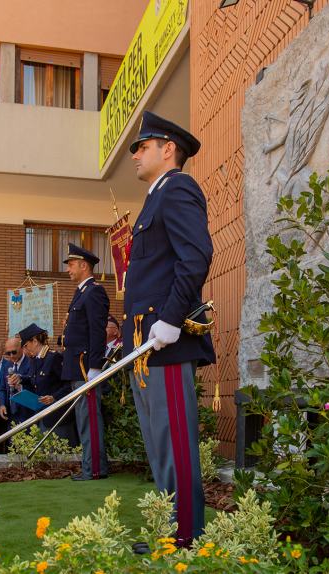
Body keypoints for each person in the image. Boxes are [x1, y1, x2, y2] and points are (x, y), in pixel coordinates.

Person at [124, 111, 215, 548]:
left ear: (168, 149)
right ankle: (167, 529)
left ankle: (184, 536)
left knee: (175, 441)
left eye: (142, 147)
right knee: (158, 443)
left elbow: (195, 257)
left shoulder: (177, 188)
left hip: (166, 341)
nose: (136, 155)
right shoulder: (153, 199)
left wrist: (172, 320)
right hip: (146, 344)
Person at [60, 243, 110, 480]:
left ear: (83, 265)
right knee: (84, 418)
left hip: (84, 367)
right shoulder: (81, 292)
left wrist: (94, 367)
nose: (68, 269)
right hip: (76, 366)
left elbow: (97, 332)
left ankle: (95, 469)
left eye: (71, 265)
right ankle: (90, 466)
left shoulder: (94, 292)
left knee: (89, 418)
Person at [18, 323, 75, 443]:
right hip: (42, 415)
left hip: (58, 417)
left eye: (26, 345)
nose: (24, 350)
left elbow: (69, 385)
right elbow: (35, 380)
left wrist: (54, 397)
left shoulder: (54, 358)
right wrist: (20, 379)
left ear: (34, 341)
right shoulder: (35, 360)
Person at [1, 336, 32, 424]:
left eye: (14, 352)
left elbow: (33, 383)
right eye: (8, 353)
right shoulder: (6, 365)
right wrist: (2, 404)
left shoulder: (31, 363)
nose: (11, 356)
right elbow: (2, 388)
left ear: (21, 348)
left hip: (27, 412)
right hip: (11, 413)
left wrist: (20, 385)